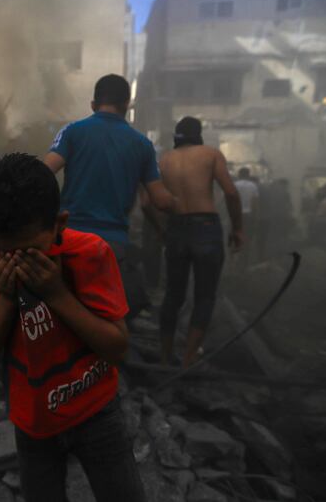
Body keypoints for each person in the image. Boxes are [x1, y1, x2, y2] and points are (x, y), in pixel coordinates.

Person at [0, 153, 146, 502]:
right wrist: (6, 298)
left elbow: (116, 346)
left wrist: (57, 293)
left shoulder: (90, 254)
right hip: (33, 423)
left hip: (96, 411)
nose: (19, 262)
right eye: (8, 253)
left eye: (32, 251)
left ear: (59, 224)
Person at [43, 74, 176, 317]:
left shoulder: (72, 131)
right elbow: (160, 199)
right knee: (105, 319)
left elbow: (43, 172)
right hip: (112, 246)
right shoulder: (142, 145)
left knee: (65, 315)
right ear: (127, 106)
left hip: (70, 237)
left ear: (93, 105)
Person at [157, 116, 244, 367]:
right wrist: (238, 228)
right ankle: (189, 357)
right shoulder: (211, 154)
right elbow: (230, 192)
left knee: (173, 295)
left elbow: (149, 201)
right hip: (206, 226)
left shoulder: (164, 160)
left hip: (176, 226)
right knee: (205, 295)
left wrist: (162, 230)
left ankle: (164, 357)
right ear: (199, 134)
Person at [234, 167, 259, 267]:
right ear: (248, 175)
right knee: (246, 238)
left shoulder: (234, 185)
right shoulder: (253, 186)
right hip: (247, 215)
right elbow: (255, 203)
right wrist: (256, 216)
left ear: (239, 175)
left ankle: (233, 262)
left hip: (235, 215)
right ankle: (244, 262)